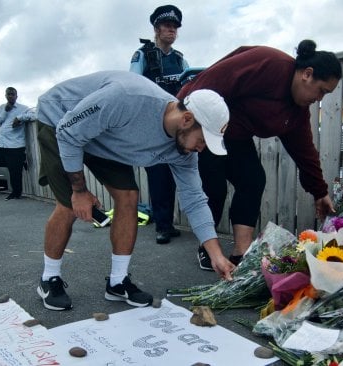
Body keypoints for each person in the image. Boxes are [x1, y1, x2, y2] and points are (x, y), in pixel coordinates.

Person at [34, 70, 235, 311]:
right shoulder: (126, 98)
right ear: (186, 119)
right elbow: (68, 131)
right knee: (68, 204)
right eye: (203, 140)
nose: (202, 149)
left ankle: (118, 282)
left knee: (128, 196)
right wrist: (79, 191)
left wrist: (215, 254)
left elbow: (194, 199)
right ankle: (49, 278)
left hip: (105, 135)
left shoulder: (184, 152)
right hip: (60, 122)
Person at [177, 39, 342, 271]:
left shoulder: (297, 113)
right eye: (321, 91)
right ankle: (208, 248)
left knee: (253, 179)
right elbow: (208, 84)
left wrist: (320, 191)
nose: (319, 99)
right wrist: (182, 123)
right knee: (214, 188)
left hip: (237, 137)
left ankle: (240, 254)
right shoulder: (269, 64)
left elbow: (304, 151)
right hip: (206, 129)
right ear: (307, 73)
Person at [130, 5, 189, 245]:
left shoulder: (179, 58)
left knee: (173, 175)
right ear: (156, 29)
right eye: (167, 26)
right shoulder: (142, 54)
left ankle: (168, 223)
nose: (171, 30)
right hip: (152, 125)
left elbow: (190, 85)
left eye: (175, 27)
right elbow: (133, 84)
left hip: (176, 127)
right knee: (157, 176)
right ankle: (162, 226)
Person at [0, 87, 30, 200]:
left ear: (16, 96)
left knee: (15, 171)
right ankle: (21, 162)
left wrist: (20, 118)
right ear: (5, 96)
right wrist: (5, 110)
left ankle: (16, 193)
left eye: (12, 94)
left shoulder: (23, 108)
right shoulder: (1, 107)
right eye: (8, 94)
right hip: (3, 144)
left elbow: (34, 115)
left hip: (15, 144)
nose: (10, 96)